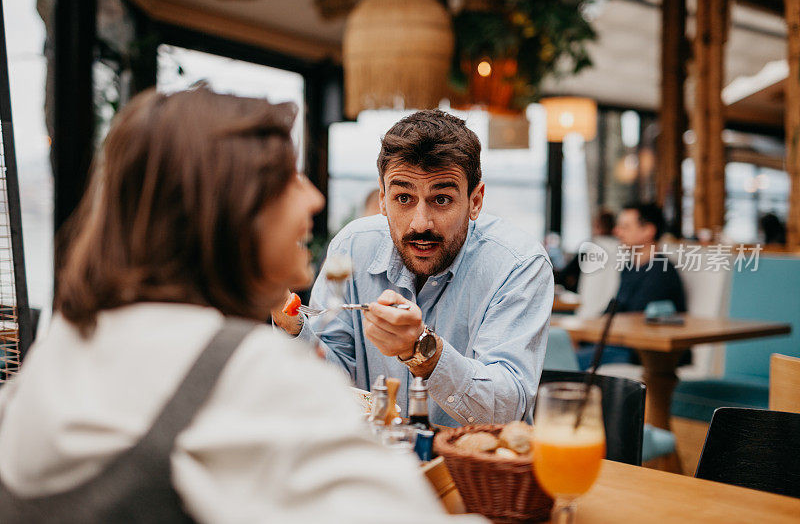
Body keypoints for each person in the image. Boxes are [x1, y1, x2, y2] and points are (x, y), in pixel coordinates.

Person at [0, 89, 484, 523]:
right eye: (287, 181)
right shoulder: (245, 369)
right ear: (230, 208)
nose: (313, 197)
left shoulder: (68, 341)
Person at [273, 109, 554, 428]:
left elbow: (507, 410)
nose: (421, 223)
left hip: (475, 472)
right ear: (382, 198)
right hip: (375, 462)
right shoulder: (351, 248)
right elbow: (331, 384)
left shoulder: (519, 264)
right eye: (403, 197)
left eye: (442, 199)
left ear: (475, 201)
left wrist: (423, 351)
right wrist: (289, 321)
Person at [576, 203, 686, 369]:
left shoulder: (660, 271)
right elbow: (614, 310)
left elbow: (634, 320)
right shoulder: (629, 267)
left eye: (625, 227)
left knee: (567, 360)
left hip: (645, 353)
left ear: (648, 230)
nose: (616, 232)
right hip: (620, 345)